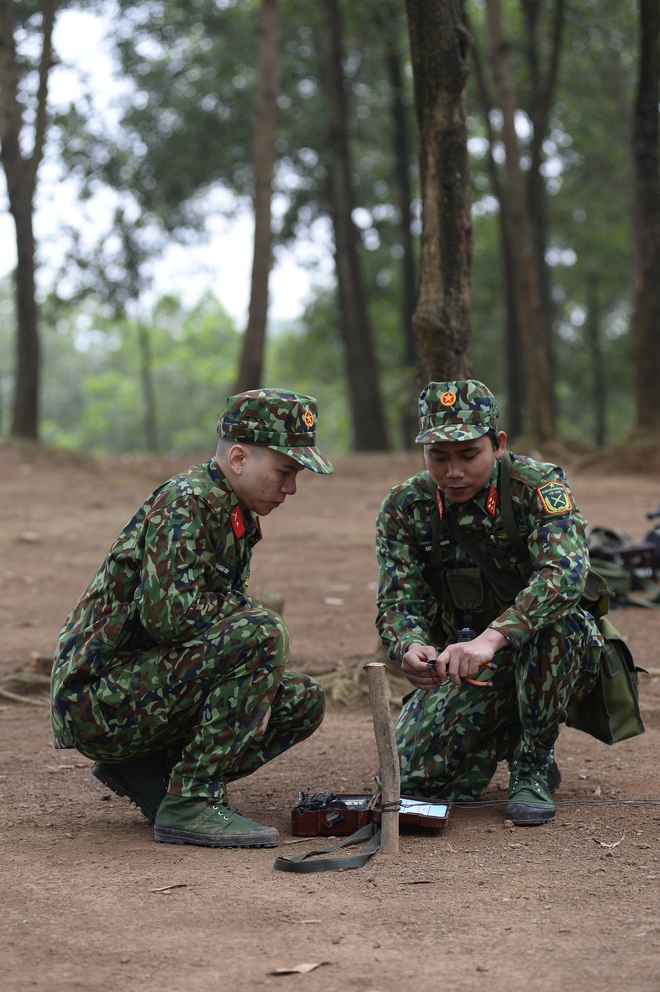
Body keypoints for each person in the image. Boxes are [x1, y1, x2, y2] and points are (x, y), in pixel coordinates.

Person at [51, 388, 333, 848]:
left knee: (301, 700)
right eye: (285, 471)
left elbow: (206, 619)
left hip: (142, 688)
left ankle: (148, 774)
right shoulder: (189, 500)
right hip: (98, 701)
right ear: (238, 458)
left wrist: (256, 687)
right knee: (263, 632)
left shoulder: (231, 510)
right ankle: (191, 801)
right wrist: (257, 624)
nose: (291, 488)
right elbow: (170, 618)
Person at [375, 380, 603, 826]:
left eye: (467, 455)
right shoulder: (406, 506)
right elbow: (398, 600)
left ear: (497, 445)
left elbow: (565, 575)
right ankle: (498, 737)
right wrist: (410, 646)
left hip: (547, 652)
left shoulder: (537, 487)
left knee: (560, 626)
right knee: (407, 783)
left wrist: (494, 637)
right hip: (461, 664)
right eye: (438, 457)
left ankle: (533, 762)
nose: (453, 472)